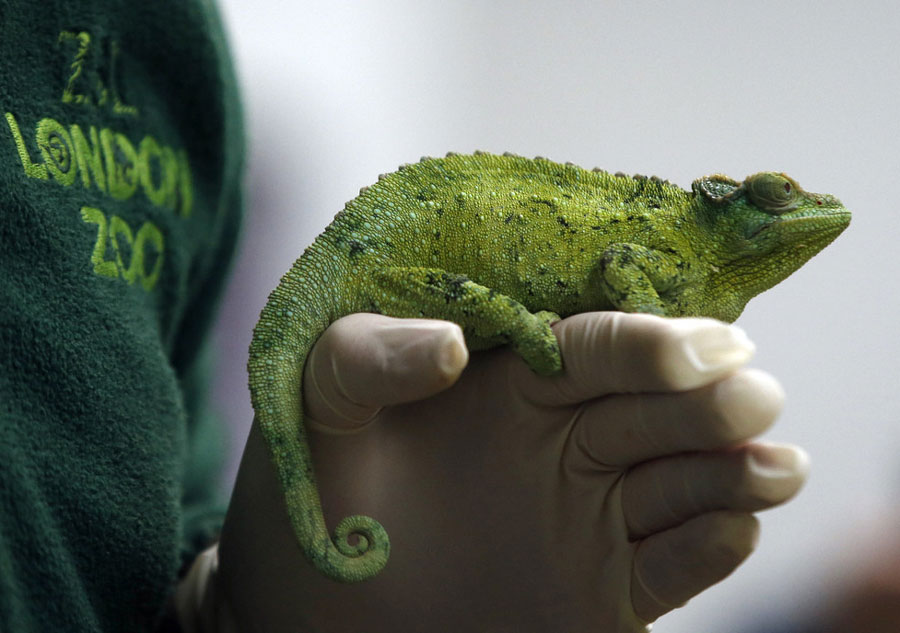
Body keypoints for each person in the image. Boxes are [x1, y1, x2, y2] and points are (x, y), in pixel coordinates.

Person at [0, 1, 809, 631]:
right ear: (724, 206)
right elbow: (621, 268)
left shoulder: (165, 47)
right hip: (395, 250)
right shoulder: (664, 243)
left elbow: (163, 490)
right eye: (775, 201)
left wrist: (215, 611)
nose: (793, 215)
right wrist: (526, 325)